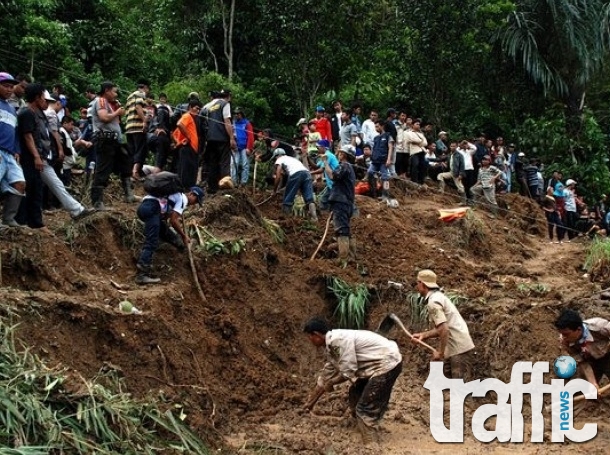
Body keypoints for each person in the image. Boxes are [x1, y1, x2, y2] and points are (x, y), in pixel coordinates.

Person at [302, 317, 402, 444]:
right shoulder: (331, 348)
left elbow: (348, 371)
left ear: (316, 335)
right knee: (355, 392)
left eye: (309, 337)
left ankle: (371, 444)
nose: (309, 341)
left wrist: (332, 382)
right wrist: (309, 404)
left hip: (387, 363)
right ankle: (360, 428)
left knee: (365, 408)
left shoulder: (338, 341)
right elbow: (325, 378)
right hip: (376, 365)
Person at [412, 270, 475, 379]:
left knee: (461, 391)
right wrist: (424, 335)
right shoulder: (439, 297)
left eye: (417, 283)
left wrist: (440, 354)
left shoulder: (433, 302)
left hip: (458, 348)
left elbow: (444, 329)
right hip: (456, 346)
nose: (417, 286)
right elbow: (444, 327)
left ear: (422, 284)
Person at [135, 186, 204, 285]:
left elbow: (168, 214)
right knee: (151, 242)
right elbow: (174, 221)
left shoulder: (176, 195)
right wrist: (184, 235)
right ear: (192, 194)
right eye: (196, 201)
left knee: (164, 230)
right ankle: (141, 275)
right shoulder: (183, 199)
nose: (194, 204)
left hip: (146, 207)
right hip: (152, 209)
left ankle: (180, 246)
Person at [90, 81, 130, 210]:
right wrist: (117, 112)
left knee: (125, 164)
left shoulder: (109, 103)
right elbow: (104, 118)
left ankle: (129, 194)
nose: (116, 94)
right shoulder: (101, 101)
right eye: (114, 91)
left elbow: (114, 121)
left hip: (114, 141)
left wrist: (117, 111)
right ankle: (97, 202)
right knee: (103, 169)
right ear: (107, 90)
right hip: (105, 140)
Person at [555, 309, 610, 393]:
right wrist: (593, 384)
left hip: (608, 354)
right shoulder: (565, 342)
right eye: (562, 334)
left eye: (566, 334)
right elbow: (583, 362)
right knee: (588, 390)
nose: (563, 337)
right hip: (592, 361)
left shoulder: (599, 326)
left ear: (578, 330)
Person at [319, 144, 356, 262]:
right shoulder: (350, 168)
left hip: (341, 202)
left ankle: (344, 258)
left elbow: (331, 176)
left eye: (339, 153)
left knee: (341, 230)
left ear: (343, 155)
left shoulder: (344, 166)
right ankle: (351, 256)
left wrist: (325, 162)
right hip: (346, 202)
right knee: (345, 228)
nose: (338, 155)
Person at [0, 72, 26, 227]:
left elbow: (15, 133)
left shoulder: (11, 109)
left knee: (20, 184)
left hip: (9, 153)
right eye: (5, 86)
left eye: (11, 86)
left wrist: (17, 150)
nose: (9, 89)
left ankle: (8, 219)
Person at [202, 89, 236, 193]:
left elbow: (203, 117)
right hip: (222, 138)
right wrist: (231, 138)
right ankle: (225, 189)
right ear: (228, 96)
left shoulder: (209, 105)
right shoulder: (225, 104)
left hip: (211, 138)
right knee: (224, 163)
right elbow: (227, 121)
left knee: (213, 163)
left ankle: (212, 188)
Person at [272, 148, 317, 221]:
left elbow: (278, 176)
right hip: (307, 173)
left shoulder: (279, 159)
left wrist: (274, 190)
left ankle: (286, 220)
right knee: (309, 199)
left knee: (287, 198)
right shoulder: (292, 159)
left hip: (296, 174)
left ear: (277, 156)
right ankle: (314, 218)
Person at [173, 100, 204, 188]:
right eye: (196, 108)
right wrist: (188, 137)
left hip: (191, 148)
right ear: (190, 107)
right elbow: (179, 124)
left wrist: (178, 141)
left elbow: (175, 134)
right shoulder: (187, 116)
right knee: (186, 170)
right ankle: (183, 189)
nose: (198, 111)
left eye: (199, 109)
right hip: (188, 147)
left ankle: (189, 189)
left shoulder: (193, 119)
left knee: (191, 170)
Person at [232, 107, 254, 186]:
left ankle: (243, 182)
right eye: (235, 114)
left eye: (238, 114)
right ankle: (234, 182)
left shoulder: (247, 123)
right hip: (236, 147)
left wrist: (249, 148)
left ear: (241, 114)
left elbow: (250, 136)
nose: (236, 115)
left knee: (245, 164)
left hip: (245, 147)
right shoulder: (233, 123)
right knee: (234, 164)